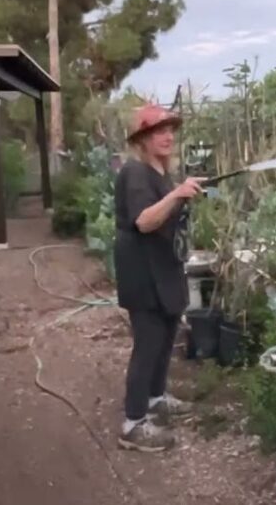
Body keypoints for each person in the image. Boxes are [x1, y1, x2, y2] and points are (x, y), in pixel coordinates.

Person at [115, 103, 204, 451]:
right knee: (148, 345)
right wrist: (177, 194)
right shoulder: (135, 173)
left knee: (166, 338)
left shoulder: (160, 172)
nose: (167, 136)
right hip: (143, 272)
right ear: (142, 140)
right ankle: (133, 423)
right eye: (158, 131)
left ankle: (155, 397)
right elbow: (144, 221)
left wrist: (183, 191)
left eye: (170, 130)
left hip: (163, 269)